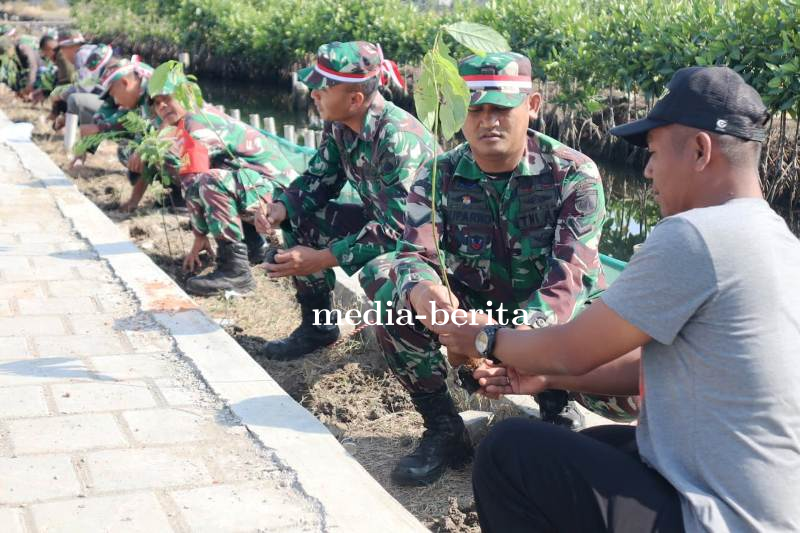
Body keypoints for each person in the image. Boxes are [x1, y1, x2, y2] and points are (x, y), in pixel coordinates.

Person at [437, 66, 800, 532]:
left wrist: (484, 338)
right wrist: (545, 377)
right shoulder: (777, 240)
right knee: (605, 444)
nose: (647, 170)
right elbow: (653, 368)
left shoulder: (695, 236)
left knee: (506, 454)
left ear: (699, 150)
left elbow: (574, 347)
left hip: (718, 517)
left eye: (652, 153)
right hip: (768, 506)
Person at [366, 51, 614, 486]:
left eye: (501, 108)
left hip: (543, 318)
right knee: (394, 308)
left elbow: (568, 281)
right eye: (474, 110)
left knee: (599, 322)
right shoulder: (435, 176)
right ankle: (444, 427)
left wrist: (503, 343)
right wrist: (431, 302)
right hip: (472, 313)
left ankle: (556, 408)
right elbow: (413, 257)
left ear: (532, 106)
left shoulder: (574, 174)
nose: (487, 121)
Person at [254, 41, 434, 360]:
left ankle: (425, 354)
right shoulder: (341, 124)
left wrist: (322, 258)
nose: (313, 94)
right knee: (301, 216)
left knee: (379, 272)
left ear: (355, 99)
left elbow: (401, 229)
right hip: (384, 225)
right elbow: (319, 178)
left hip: (428, 244)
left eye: (322, 87)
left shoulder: (397, 140)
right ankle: (318, 328)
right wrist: (281, 209)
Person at [146, 61, 299, 295]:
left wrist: (199, 234)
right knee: (221, 178)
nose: (162, 106)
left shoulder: (195, 124)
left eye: (168, 98)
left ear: (186, 95)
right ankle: (252, 249)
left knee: (212, 180)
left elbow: (194, 184)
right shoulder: (194, 117)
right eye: (157, 103)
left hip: (281, 199)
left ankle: (234, 272)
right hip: (265, 192)